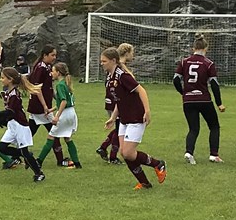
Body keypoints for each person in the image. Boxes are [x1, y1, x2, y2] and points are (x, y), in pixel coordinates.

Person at [101, 47, 166, 190]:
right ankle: (144, 183)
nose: (102, 64)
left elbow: (141, 90)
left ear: (113, 60)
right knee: (124, 153)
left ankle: (157, 164)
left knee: (128, 152)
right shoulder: (110, 77)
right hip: (124, 118)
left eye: (104, 61)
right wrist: (113, 118)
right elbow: (119, 99)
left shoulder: (123, 76)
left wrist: (147, 111)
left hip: (136, 116)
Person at [173, 34, 225, 165]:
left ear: (193, 48)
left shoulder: (184, 62)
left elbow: (175, 80)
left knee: (193, 128)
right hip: (204, 99)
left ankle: (189, 152)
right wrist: (219, 103)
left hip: (188, 100)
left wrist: (183, 92)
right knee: (214, 126)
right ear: (206, 48)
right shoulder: (208, 64)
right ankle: (214, 155)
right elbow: (214, 84)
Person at [0, 67, 46, 182]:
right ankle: (25, 155)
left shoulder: (14, 95)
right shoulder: (8, 92)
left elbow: (10, 112)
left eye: (3, 78)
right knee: (2, 148)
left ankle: (39, 173)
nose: (1, 80)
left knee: (25, 152)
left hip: (20, 126)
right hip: (12, 125)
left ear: (10, 79)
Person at [37, 62, 82, 169]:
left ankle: (38, 161)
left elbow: (64, 102)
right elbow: (64, 102)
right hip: (71, 112)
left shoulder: (60, 85)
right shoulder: (66, 83)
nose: (51, 73)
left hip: (65, 114)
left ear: (58, 73)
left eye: (53, 71)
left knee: (51, 137)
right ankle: (77, 163)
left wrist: (57, 116)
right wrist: (51, 110)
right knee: (67, 138)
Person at [27, 44, 66, 166]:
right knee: (54, 132)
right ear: (45, 55)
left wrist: (56, 97)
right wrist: (45, 106)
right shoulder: (41, 68)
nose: (54, 57)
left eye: (55, 55)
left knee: (29, 133)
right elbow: (37, 89)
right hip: (40, 107)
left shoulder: (47, 67)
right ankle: (60, 160)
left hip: (39, 106)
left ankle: (17, 155)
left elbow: (48, 87)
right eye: (52, 55)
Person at [95, 50, 122, 165]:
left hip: (109, 102)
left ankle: (103, 147)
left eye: (103, 61)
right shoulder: (119, 72)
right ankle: (112, 156)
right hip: (115, 104)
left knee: (119, 129)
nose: (102, 64)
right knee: (120, 130)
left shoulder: (112, 71)